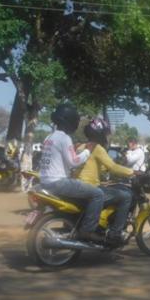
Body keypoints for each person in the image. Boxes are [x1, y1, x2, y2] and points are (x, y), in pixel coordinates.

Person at [39, 104, 104, 243]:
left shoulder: (49, 137)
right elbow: (74, 162)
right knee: (98, 194)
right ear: (69, 120)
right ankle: (87, 231)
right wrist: (88, 150)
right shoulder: (64, 138)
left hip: (44, 182)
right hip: (59, 183)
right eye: (76, 120)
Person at [77, 118, 135, 246]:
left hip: (78, 187)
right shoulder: (97, 148)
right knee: (126, 196)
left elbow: (100, 167)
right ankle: (115, 234)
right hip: (90, 188)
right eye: (105, 134)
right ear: (100, 133)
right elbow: (113, 167)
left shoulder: (82, 146)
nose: (106, 137)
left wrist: (109, 173)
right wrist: (133, 172)